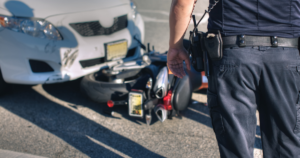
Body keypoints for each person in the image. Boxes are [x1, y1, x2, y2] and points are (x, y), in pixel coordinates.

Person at [167, 0, 300, 157]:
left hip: (233, 55)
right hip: (286, 56)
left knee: (235, 144)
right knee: (285, 144)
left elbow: (183, 2)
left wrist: (175, 46)